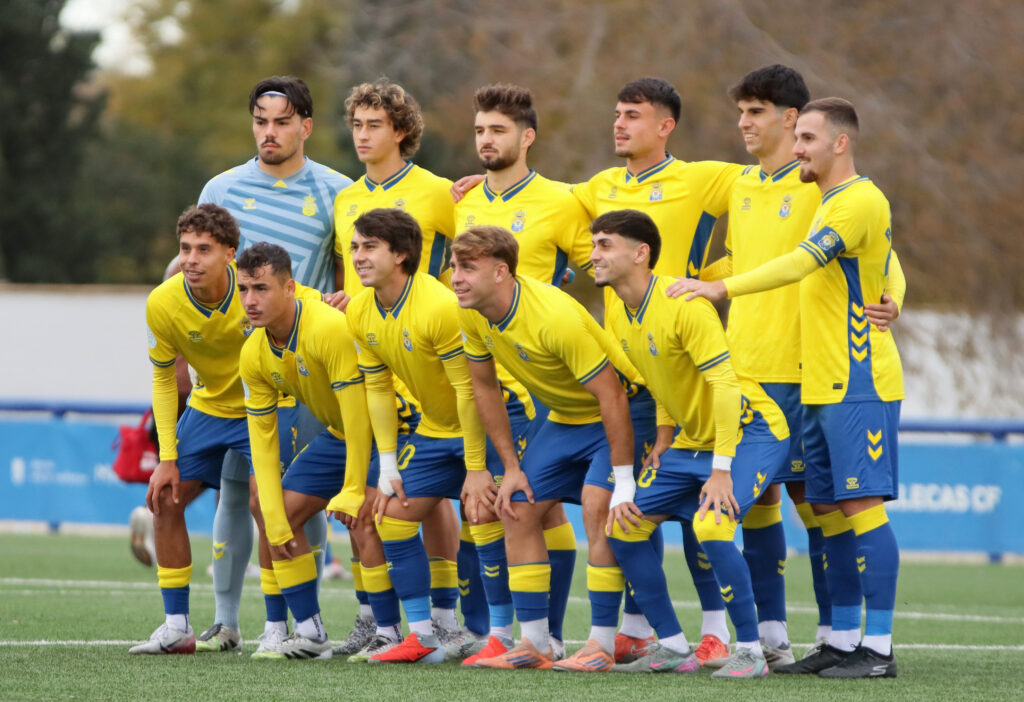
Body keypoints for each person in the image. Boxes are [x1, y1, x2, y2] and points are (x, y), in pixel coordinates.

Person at [671, 97, 904, 679]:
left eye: (807, 139)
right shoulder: (824, 198)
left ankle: (878, 650)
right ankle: (841, 641)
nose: (798, 148)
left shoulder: (857, 200)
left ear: (840, 143)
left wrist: (721, 290)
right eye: (797, 139)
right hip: (821, 382)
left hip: (858, 379)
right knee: (828, 508)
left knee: (860, 507)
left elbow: (802, 263)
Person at [572, 76, 743, 665]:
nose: (619, 124)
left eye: (633, 115)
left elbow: (776, 199)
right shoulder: (598, 187)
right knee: (615, 506)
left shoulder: (704, 178)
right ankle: (641, 631)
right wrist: (476, 185)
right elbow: (539, 203)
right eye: (617, 113)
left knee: (704, 514)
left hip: (692, 367)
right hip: (639, 375)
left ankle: (731, 634)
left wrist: (713, 279)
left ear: (666, 126)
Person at [591, 208, 790, 679]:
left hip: (751, 432)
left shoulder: (683, 303)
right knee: (622, 527)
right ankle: (673, 645)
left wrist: (721, 470)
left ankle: (751, 651)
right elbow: (664, 379)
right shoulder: (621, 312)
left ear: (640, 254)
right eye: (593, 243)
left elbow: (725, 386)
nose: (593, 254)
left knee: (713, 528)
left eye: (604, 244)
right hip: (690, 442)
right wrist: (665, 435)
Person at [192, 75, 353, 654]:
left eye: (282, 122)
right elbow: (197, 265)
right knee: (236, 492)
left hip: (308, 368)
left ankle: (296, 624)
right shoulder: (222, 188)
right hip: (243, 366)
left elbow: (352, 275)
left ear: (305, 126)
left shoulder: (338, 191)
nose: (269, 132)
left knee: (300, 494)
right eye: (261, 121)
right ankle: (226, 622)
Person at [449, 226, 656, 672]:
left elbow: (613, 396)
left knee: (597, 505)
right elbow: (484, 389)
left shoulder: (553, 316)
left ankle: (601, 645)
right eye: (453, 267)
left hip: (626, 407)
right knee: (515, 506)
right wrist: (510, 467)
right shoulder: (470, 312)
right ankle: (536, 643)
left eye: (467, 267)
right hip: (566, 417)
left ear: (501, 272)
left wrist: (623, 482)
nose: (456, 278)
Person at [332, 79, 487, 659]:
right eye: (356, 125)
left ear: (401, 131)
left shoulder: (443, 192)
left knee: (474, 508)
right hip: (379, 354)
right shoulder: (346, 199)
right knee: (383, 502)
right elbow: (348, 276)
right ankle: (387, 622)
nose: (362, 135)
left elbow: (483, 252)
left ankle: (468, 624)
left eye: (374, 124)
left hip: (447, 361)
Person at [345, 208, 535, 663]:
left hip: (496, 418)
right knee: (391, 515)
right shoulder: (360, 311)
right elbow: (378, 389)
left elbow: (470, 391)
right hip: (434, 428)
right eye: (354, 247)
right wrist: (387, 464)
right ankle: (423, 636)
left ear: (402, 254)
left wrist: (475, 467)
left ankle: (499, 636)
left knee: (483, 512)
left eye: (370, 247)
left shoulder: (439, 306)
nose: (358, 257)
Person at [452, 82, 589, 661]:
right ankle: (507, 632)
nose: (486, 139)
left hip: (540, 385)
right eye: (481, 130)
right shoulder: (462, 200)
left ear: (527, 137)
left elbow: (601, 263)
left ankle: (545, 633)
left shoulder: (563, 200)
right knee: (495, 506)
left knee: (537, 504)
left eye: (499, 130)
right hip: (482, 372)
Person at [130, 204, 300, 654]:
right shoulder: (162, 302)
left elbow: (307, 310)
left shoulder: (255, 290)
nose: (191, 259)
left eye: (203, 249)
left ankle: (276, 627)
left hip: (268, 406)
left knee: (267, 505)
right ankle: (176, 627)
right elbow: (163, 381)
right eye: (185, 248)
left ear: (230, 254)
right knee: (165, 499)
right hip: (208, 410)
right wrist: (167, 458)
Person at [236, 242, 374, 659]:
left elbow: (360, 416)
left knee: (366, 516)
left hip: (390, 432)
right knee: (275, 511)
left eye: (261, 288)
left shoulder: (327, 326)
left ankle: (390, 627)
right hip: (340, 434)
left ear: (290, 288)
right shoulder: (253, 351)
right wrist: (274, 516)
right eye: (243, 290)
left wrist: (354, 487)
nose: (250, 300)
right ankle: (310, 632)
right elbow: (262, 440)